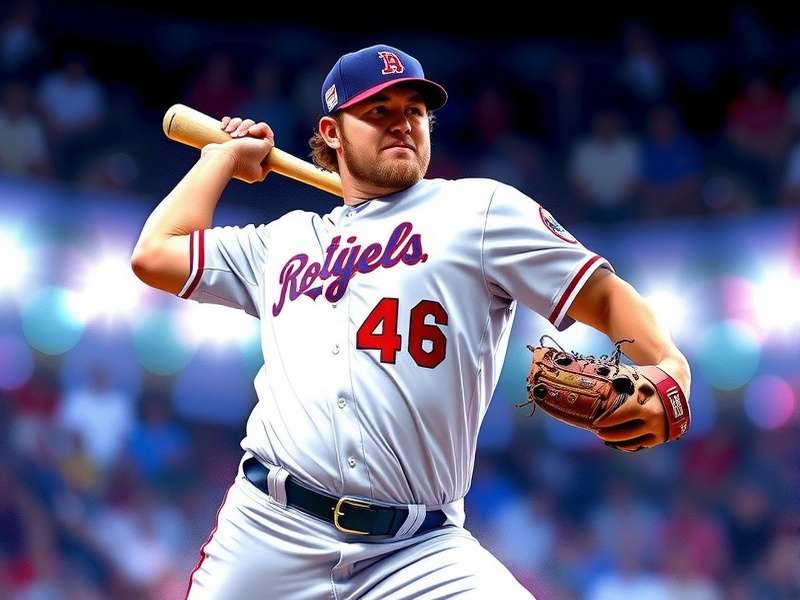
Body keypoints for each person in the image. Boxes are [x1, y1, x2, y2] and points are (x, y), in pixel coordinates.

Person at [130, 44, 691, 600]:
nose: (402, 124)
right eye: (379, 111)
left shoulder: (478, 212)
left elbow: (606, 295)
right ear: (332, 132)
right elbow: (155, 254)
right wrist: (221, 159)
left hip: (417, 550)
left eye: (414, 112)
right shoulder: (285, 240)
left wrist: (671, 368)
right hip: (271, 529)